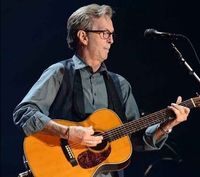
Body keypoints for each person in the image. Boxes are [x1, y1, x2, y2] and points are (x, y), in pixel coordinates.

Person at [13, 4, 190, 177]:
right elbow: (24, 112)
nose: (111, 40)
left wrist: (165, 126)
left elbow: (136, 139)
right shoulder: (59, 73)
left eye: (112, 34)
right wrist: (68, 132)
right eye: (105, 33)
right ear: (83, 36)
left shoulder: (120, 84)